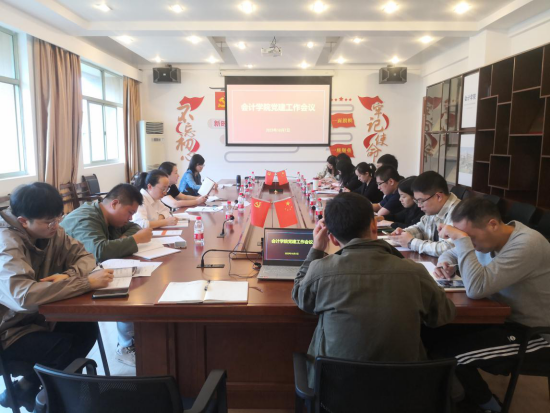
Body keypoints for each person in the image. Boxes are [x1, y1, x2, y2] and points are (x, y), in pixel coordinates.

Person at [292, 192, 456, 386]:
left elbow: (300, 297)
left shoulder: (321, 270)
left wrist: (316, 249)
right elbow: (442, 315)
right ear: (374, 226)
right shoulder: (414, 271)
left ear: (333, 240)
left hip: (337, 389)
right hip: (403, 389)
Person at [0, 183, 114, 411]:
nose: (56, 225)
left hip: (40, 317)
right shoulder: (6, 244)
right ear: (23, 221)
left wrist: (67, 276)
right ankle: (49, 402)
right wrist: (84, 283)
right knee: (64, 348)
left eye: (59, 217)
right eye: (49, 222)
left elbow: (86, 257)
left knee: (86, 327)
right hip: (9, 330)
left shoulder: (51, 231)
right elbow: (23, 298)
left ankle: (29, 388)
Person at [434, 198, 550, 413]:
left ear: (493, 224)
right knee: (435, 332)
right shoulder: (488, 240)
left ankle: (489, 407)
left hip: (534, 334)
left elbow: (476, 289)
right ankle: (468, 399)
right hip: (498, 318)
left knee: (450, 358)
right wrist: (444, 262)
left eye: (470, 238)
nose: (469, 243)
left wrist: (462, 241)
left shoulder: (528, 243)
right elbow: (451, 252)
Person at [61, 184, 153, 368]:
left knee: (137, 283)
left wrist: (120, 241)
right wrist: (134, 240)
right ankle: (126, 345)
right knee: (130, 289)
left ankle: (134, 340)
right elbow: (98, 251)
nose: (130, 217)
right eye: (129, 212)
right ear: (115, 203)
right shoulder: (87, 217)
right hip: (66, 282)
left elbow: (134, 227)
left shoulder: (110, 218)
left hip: (86, 276)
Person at [391, 171, 461, 257]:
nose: (419, 205)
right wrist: (404, 233)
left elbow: (448, 249)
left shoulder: (460, 213)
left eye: (421, 201)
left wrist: (411, 242)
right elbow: (421, 228)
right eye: (417, 201)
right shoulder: (435, 208)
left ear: (438, 196)